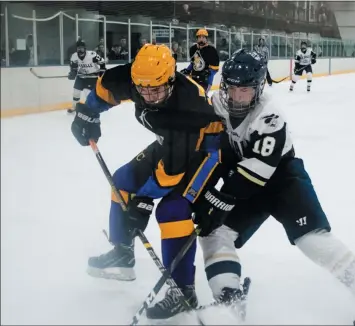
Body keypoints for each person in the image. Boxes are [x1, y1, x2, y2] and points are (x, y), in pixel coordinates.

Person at [196, 49, 355, 326]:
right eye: (231, 88)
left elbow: (258, 171)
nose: (236, 97)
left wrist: (217, 198)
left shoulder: (270, 116)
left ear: (258, 88)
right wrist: (203, 193)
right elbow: (212, 153)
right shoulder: (217, 106)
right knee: (214, 233)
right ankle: (229, 299)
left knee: (311, 239)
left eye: (244, 90)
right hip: (245, 181)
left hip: (282, 179)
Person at [70, 44, 236, 317]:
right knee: (122, 182)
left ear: (171, 79)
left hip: (206, 149)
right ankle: (123, 252)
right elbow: (105, 88)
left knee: (172, 210)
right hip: (170, 143)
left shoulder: (188, 108)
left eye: (156, 90)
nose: (148, 96)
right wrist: (87, 112)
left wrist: (144, 201)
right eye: (142, 90)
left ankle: (183, 290)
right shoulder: (139, 77)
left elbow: (172, 171)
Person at [67, 40, 105, 114]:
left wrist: (101, 71)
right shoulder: (74, 56)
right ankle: (75, 107)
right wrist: (73, 72)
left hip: (91, 77)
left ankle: (91, 109)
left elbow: (102, 62)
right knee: (76, 92)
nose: (80, 50)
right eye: (78, 48)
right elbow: (73, 66)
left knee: (88, 93)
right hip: (81, 76)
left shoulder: (92, 55)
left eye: (81, 48)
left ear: (85, 48)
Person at [180, 29, 220, 93]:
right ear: (197, 38)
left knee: (201, 98)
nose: (201, 39)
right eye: (199, 37)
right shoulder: (193, 49)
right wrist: (188, 70)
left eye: (203, 37)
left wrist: (208, 73)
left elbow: (215, 68)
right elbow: (194, 63)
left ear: (206, 39)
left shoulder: (212, 51)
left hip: (205, 82)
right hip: (193, 79)